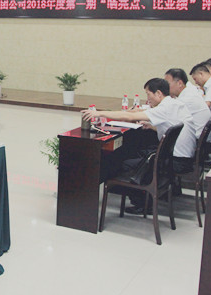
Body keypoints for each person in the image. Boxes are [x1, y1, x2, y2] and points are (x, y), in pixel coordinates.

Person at [82, 78, 196, 213]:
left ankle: (141, 202)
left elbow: (129, 117)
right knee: (132, 152)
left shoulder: (164, 108)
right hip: (181, 157)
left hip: (175, 161)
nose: (147, 99)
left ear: (158, 93)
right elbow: (169, 127)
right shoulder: (174, 104)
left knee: (121, 162)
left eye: (148, 94)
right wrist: (152, 127)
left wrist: (99, 113)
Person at [164, 68, 211, 140]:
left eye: (167, 84)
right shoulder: (190, 91)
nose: (165, 87)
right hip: (202, 135)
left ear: (180, 83)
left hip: (197, 138)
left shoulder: (186, 99)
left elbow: (166, 116)